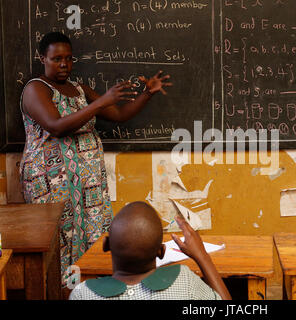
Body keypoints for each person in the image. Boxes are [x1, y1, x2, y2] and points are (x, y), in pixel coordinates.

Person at [19, 32, 172, 285]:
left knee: (92, 239)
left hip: (88, 188)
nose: (64, 64)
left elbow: (119, 114)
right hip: (52, 186)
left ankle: (89, 291)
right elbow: (56, 126)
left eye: (68, 58)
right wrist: (99, 103)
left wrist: (147, 93)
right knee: (57, 242)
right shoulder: (36, 89)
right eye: (57, 58)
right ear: (42, 58)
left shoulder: (78, 89)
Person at [69, 201, 232, 300]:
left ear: (106, 245)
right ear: (161, 252)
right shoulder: (185, 280)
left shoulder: (82, 293)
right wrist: (202, 255)